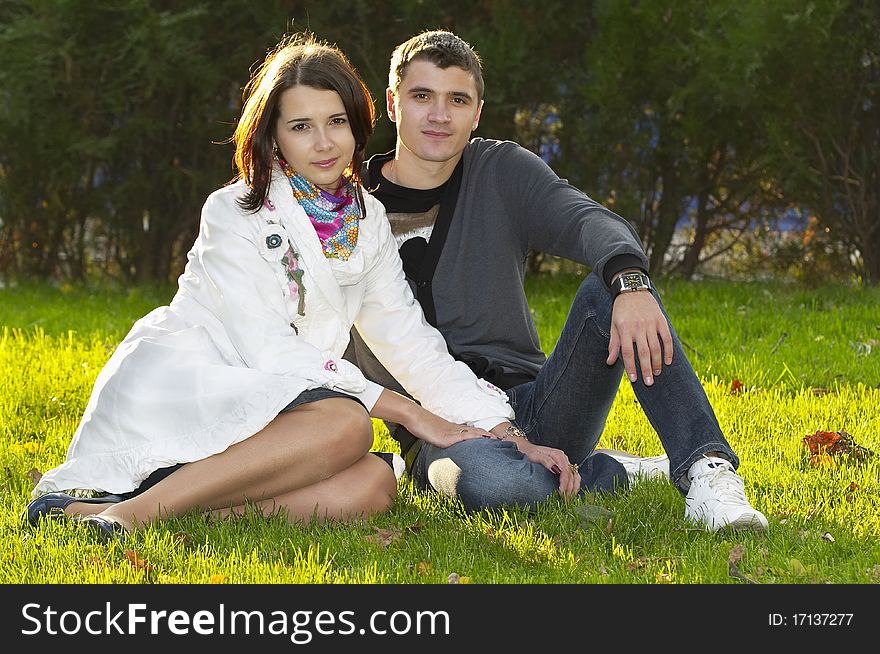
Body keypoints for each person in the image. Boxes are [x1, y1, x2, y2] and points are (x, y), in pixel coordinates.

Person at [25, 33, 521, 541]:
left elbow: (409, 341)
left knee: (373, 484)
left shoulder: (365, 218)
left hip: (287, 408)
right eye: (301, 127)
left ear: (356, 124)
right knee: (348, 424)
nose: (324, 143)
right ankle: (130, 516)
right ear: (273, 136)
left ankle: (150, 508)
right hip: (203, 385)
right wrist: (403, 411)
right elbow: (266, 347)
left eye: (336, 123)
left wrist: (501, 428)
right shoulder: (233, 210)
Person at [344, 29, 769, 531]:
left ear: (477, 112)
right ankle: (608, 471)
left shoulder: (498, 171)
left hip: (537, 401)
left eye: (457, 99)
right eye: (422, 97)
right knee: (503, 488)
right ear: (393, 103)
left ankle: (706, 471)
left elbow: (587, 220)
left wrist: (631, 283)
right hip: (441, 431)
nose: (439, 115)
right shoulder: (344, 209)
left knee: (610, 295)